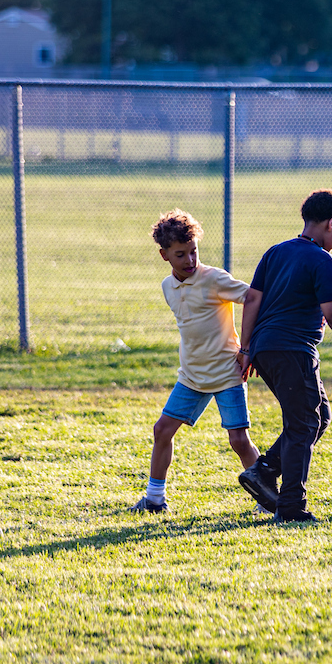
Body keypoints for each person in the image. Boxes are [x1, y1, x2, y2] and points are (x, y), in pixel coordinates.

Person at [237, 189, 332, 524]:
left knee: (318, 417)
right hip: (293, 350)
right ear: (331, 223)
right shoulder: (322, 260)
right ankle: (291, 507)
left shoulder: (275, 252)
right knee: (303, 424)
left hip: (265, 349)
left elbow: (253, 300)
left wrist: (247, 350)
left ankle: (264, 469)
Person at [130, 209, 262, 513]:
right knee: (162, 430)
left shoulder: (214, 278)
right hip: (191, 377)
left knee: (239, 441)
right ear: (164, 255)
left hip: (228, 374)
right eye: (180, 254)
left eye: (194, 252)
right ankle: (154, 500)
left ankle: (268, 499)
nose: (190, 260)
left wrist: (248, 348)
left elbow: (255, 298)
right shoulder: (167, 287)